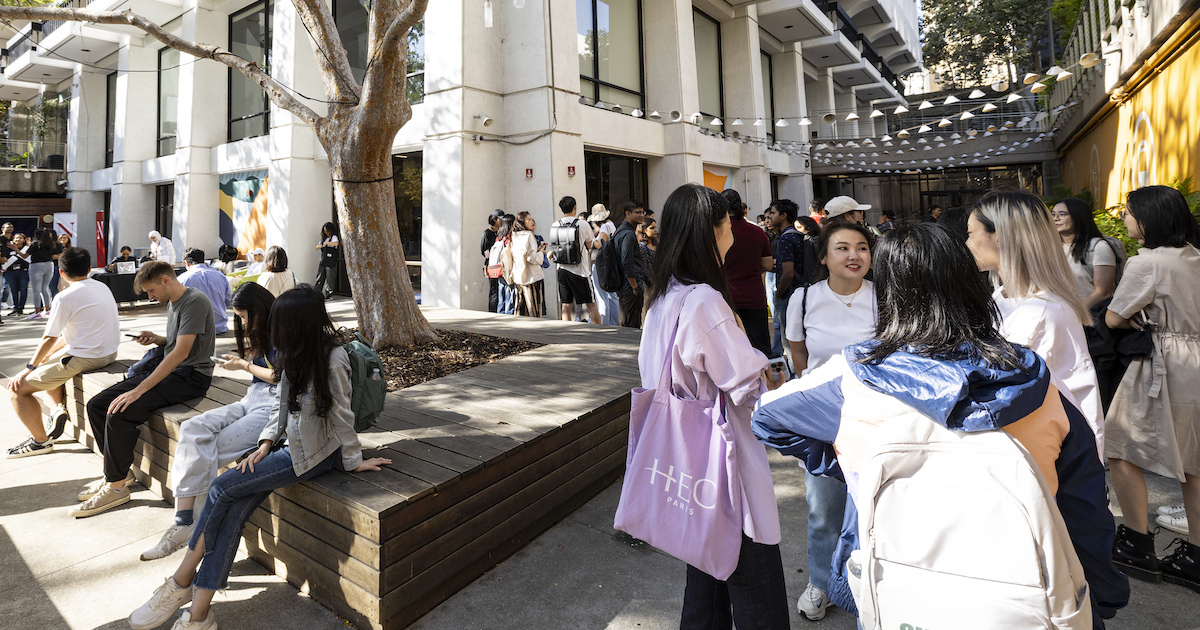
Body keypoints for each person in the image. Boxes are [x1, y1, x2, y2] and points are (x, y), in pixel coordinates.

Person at [753, 221, 1129, 628]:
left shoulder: (854, 380)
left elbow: (768, 417)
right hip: (1023, 593)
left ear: (891, 295)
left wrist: (850, 462)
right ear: (971, 283)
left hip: (898, 593)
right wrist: (1101, 595)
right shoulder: (1035, 384)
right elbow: (1084, 508)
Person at [127, 286, 391, 630]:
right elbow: (281, 405)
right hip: (286, 445)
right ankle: (198, 614)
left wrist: (353, 460)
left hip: (315, 454)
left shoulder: (333, 357)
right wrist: (265, 443)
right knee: (234, 505)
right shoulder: (293, 351)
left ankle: (180, 582)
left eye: (281, 322)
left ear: (297, 323)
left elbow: (341, 413)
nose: (273, 329)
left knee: (222, 487)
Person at [641, 183, 788, 630]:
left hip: (687, 465)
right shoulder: (706, 301)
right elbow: (748, 388)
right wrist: (770, 371)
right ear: (714, 230)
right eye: (727, 224)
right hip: (727, 463)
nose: (733, 233)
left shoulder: (664, 297)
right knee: (755, 581)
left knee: (706, 582)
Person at [140, 282, 278, 561]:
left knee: (208, 448)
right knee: (192, 428)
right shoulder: (263, 331)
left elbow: (282, 378)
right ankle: (185, 522)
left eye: (243, 316)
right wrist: (244, 363)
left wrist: (245, 365)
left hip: (274, 405)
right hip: (251, 398)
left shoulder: (285, 329)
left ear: (259, 309)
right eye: (239, 317)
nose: (242, 322)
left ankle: (185, 523)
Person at [1104, 185, 1200, 587]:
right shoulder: (1195, 256)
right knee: (1193, 464)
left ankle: (1136, 543)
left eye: (1129, 212)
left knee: (1119, 443)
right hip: (1195, 357)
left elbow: (1113, 318)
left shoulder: (1147, 264)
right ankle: (1195, 556)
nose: (1125, 219)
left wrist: (1136, 321)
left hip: (1165, 361)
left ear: (1149, 218)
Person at [783, 221, 876, 620]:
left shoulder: (885, 298)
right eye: (842, 248)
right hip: (823, 417)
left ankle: (868, 584)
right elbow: (798, 353)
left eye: (861, 248)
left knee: (874, 506)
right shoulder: (803, 299)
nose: (854, 255)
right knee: (824, 507)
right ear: (823, 257)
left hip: (875, 416)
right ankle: (821, 582)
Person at [966, 191, 1104, 452]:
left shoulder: (1039, 313)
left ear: (1000, 236)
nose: (967, 242)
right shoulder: (1006, 296)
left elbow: (1004, 394)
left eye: (971, 232)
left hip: (1043, 453)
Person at [76, 261, 215, 518]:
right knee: (97, 405)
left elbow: (181, 354)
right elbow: (176, 344)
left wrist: (139, 390)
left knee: (119, 412)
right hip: (174, 370)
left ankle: (116, 488)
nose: (150, 297)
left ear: (165, 280)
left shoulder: (194, 301)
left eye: (151, 291)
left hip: (190, 376)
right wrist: (157, 339)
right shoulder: (175, 301)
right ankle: (119, 475)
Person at [6, 247, 120, 458]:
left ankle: (41, 442)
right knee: (48, 359)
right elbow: (69, 336)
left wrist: (28, 368)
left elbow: (49, 337)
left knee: (17, 389)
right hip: (108, 352)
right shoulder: (102, 287)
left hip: (87, 357)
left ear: (61, 272)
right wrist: (42, 359)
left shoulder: (64, 297)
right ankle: (57, 408)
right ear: (88, 268)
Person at [720, 189, 774, 357]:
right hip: (753, 296)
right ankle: (766, 382)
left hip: (724, 297)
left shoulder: (716, 232)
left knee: (728, 348)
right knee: (758, 347)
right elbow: (768, 264)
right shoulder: (756, 231)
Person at [769, 199, 817, 358]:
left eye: (773, 213)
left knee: (789, 343)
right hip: (803, 291)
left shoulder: (786, 239)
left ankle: (795, 376)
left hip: (789, 295)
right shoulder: (798, 236)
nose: (769, 216)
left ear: (783, 216)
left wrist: (778, 295)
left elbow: (787, 273)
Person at [1054, 198, 1123, 309]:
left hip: (1089, 318)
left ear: (1078, 216)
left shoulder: (1098, 248)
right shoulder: (1054, 248)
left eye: (1062, 214)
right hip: (1059, 316)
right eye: (1053, 214)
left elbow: (1103, 293)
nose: (1056, 218)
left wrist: (1076, 315)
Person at [550, 196, 601, 324]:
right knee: (592, 305)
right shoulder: (582, 224)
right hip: (580, 271)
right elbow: (590, 245)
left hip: (561, 269)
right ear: (575, 208)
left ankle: (566, 334)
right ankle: (598, 333)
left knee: (566, 306)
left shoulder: (555, 225)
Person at [180, 249, 233, 335]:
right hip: (219, 327)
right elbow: (228, 301)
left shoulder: (182, 279)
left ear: (187, 263)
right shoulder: (221, 276)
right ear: (204, 261)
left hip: (193, 330)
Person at [510, 211, 548, 318]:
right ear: (523, 222)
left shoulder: (514, 235)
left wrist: (537, 250)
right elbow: (531, 258)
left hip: (519, 276)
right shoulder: (529, 235)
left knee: (520, 310)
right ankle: (534, 333)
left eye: (532, 219)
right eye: (529, 219)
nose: (532, 222)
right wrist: (541, 253)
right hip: (532, 277)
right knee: (534, 310)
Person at [614, 200, 645, 327]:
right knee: (632, 327)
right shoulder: (628, 234)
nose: (641, 215)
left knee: (625, 324)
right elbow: (627, 262)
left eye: (642, 212)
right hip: (629, 288)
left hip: (623, 286)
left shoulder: (620, 231)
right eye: (637, 212)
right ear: (628, 213)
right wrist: (635, 286)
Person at [588, 204, 618, 325]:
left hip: (601, 264)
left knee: (601, 296)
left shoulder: (605, 227)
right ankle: (614, 323)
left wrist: (592, 241)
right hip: (611, 263)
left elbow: (600, 244)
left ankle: (604, 324)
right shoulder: (612, 225)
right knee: (612, 295)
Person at [25, 228, 61, 320]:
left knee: (36, 290)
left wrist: (16, 249)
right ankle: (47, 310)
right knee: (45, 288)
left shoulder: (36, 243)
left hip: (36, 265)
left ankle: (37, 311)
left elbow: (25, 255)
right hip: (49, 265)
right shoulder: (52, 243)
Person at [481, 209, 505, 313]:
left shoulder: (502, 232)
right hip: (492, 266)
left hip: (502, 265)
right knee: (494, 290)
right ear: (494, 220)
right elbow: (484, 250)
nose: (502, 222)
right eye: (500, 219)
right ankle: (493, 312)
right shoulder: (487, 233)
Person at [493, 214, 517, 315]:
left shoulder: (499, 237)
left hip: (498, 269)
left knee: (501, 295)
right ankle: (508, 315)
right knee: (509, 295)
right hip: (508, 270)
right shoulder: (509, 238)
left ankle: (500, 314)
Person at [4, 232, 31, 317]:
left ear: (23, 240)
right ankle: (15, 308)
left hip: (23, 271)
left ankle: (20, 309)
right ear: (13, 240)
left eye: (20, 238)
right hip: (10, 271)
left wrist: (17, 250)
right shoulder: (8, 248)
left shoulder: (27, 249)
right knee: (13, 290)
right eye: (16, 238)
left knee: (23, 290)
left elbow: (28, 259)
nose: (18, 239)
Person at [314, 221, 339, 299]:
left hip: (331, 261)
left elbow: (336, 243)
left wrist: (327, 244)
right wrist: (320, 245)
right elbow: (317, 247)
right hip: (323, 260)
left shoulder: (334, 237)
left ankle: (329, 294)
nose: (326, 232)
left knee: (330, 277)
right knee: (320, 277)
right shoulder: (324, 238)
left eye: (327, 231)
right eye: (325, 231)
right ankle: (317, 292)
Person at [50, 232, 71, 297]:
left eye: (65, 237)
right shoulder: (55, 246)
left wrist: (58, 256)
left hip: (66, 269)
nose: (63, 239)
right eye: (61, 237)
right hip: (56, 267)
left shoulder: (70, 249)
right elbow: (52, 256)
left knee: (64, 286)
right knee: (54, 285)